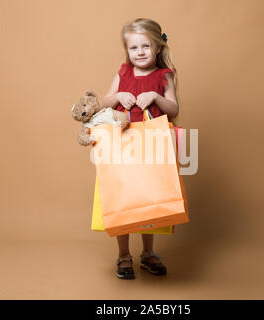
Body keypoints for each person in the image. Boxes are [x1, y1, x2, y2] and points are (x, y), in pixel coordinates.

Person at [102, 18, 179, 279]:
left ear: (158, 47)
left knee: (148, 201)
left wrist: (156, 97)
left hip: (152, 148)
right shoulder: (123, 72)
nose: (140, 52)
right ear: (127, 51)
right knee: (123, 199)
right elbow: (105, 102)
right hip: (123, 145)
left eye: (146, 46)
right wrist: (118, 97)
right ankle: (123, 255)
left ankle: (148, 253)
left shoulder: (164, 76)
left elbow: (174, 109)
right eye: (134, 48)